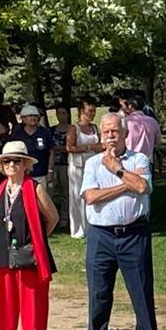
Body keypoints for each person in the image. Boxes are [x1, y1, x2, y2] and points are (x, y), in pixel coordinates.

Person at [80, 113, 162, 330]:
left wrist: (116, 169)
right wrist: (125, 182)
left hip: (133, 233)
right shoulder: (93, 163)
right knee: (99, 293)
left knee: (141, 290)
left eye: (115, 131)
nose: (110, 136)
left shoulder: (139, 158)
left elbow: (142, 187)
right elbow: (91, 197)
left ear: (125, 134)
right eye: (106, 132)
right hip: (101, 236)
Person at [0, 141, 60, 330]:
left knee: (33, 294)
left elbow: (52, 217)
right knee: (4, 297)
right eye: (7, 160)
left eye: (17, 160)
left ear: (25, 164)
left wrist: (38, 239)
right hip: (2, 252)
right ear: (1, 165)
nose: (11, 164)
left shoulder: (35, 187)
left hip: (28, 251)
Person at [66, 99, 101, 239]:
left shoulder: (94, 128)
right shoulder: (74, 128)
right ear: (81, 111)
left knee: (93, 194)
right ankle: (79, 229)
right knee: (78, 196)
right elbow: (69, 148)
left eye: (94, 111)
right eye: (89, 111)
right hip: (78, 166)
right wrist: (89, 148)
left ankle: (92, 225)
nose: (92, 114)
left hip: (93, 165)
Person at [8, 104, 54, 186]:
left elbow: (51, 151)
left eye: (35, 116)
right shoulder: (18, 134)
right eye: (29, 116)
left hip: (41, 174)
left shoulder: (45, 132)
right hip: (22, 174)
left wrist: (50, 170)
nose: (33, 118)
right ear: (23, 118)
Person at [121, 91, 160, 163]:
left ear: (130, 106)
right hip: (147, 160)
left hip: (129, 160)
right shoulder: (153, 122)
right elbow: (157, 141)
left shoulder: (125, 121)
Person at [50, 106, 71, 229]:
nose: (61, 115)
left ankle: (65, 218)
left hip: (66, 164)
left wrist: (59, 148)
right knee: (51, 191)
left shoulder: (72, 129)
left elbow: (70, 147)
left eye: (64, 113)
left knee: (65, 192)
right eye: (59, 113)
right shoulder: (52, 130)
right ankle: (52, 217)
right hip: (54, 164)